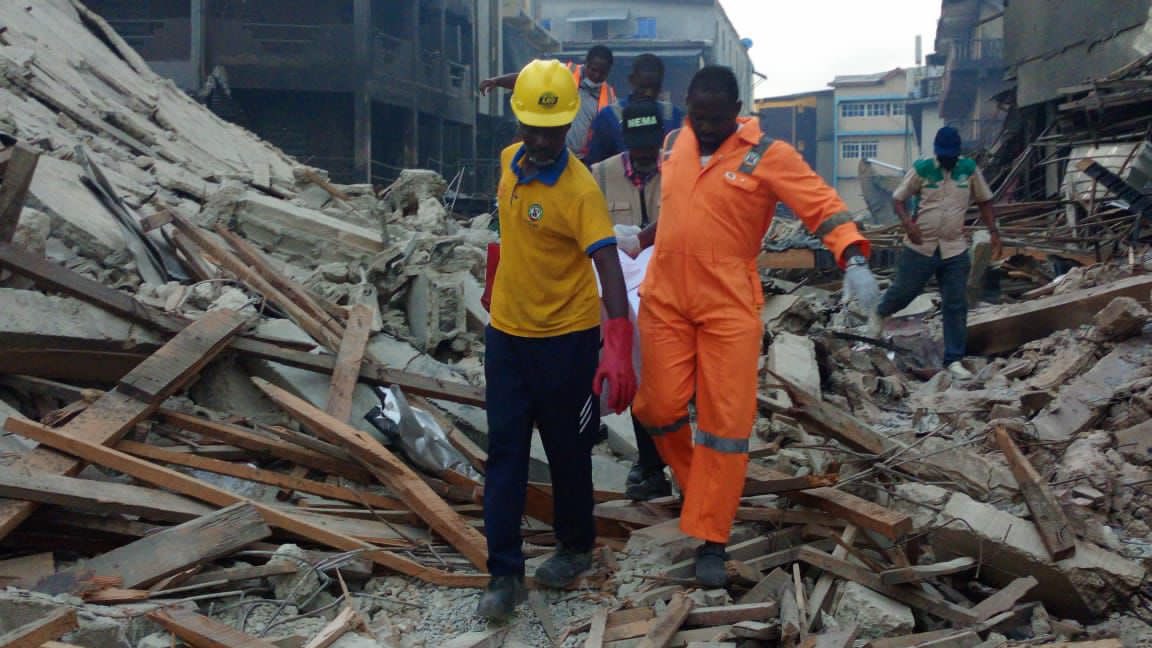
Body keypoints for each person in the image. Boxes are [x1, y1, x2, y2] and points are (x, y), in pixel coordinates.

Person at [629, 66, 880, 587]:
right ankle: (699, 490)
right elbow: (685, 209)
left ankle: (711, 538)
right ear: (687, 109)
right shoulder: (675, 143)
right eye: (700, 116)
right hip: (667, 297)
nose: (709, 126)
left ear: (738, 108)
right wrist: (641, 238)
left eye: (718, 118)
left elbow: (821, 204)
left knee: (724, 425)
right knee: (657, 406)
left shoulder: (768, 154)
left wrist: (853, 258)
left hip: (727, 302)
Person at [476, 59, 637, 620]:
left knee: (568, 451)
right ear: (518, 124)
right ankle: (504, 573)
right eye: (532, 128)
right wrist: (496, 280)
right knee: (505, 453)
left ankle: (574, 546)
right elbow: (509, 230)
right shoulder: (506, 162)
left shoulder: (580, 190)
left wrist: (617, 338)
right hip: (508, 338)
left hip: (567, 341)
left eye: (553, 130)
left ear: (569, 125)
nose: (542, 141)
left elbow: (609, 265)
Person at [870, 126, 1001, 379]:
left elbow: (985, 200)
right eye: (944, 155)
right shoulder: (922, 168)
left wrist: (993, 231)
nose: (947, 160)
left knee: (955, 303)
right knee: (904, 292)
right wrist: (908, 224)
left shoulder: (969, 170)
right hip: (921, 245)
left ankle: (953, 359)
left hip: (954, 248)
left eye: (951, 155)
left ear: (958, 153)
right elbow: (898, 199)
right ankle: (880, 312)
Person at [590, 100, 671, 502]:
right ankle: (651, 464)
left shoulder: (678, 172)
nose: (643, 153)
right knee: (638, 373)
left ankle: (683, 463)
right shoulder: (599, 176)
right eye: (635, 143)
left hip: (673, 291)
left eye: (649, 144)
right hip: (622, 294)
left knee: (676, 386)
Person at [480, 46, 616, 163]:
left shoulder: (609, 99)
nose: (596, 76)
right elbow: (526, 80)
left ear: (609, 72)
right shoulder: (564, 74)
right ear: (586, 63)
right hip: (542, 150)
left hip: (577, 160)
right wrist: (497, 81)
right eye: (593, 70)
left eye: (602, 73)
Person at [585, 53, 685, 165]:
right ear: (632, 80)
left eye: (654, 87)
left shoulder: (673, 116)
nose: (649, 93)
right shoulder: (609, 118)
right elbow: (594, 163)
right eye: (643, 87)